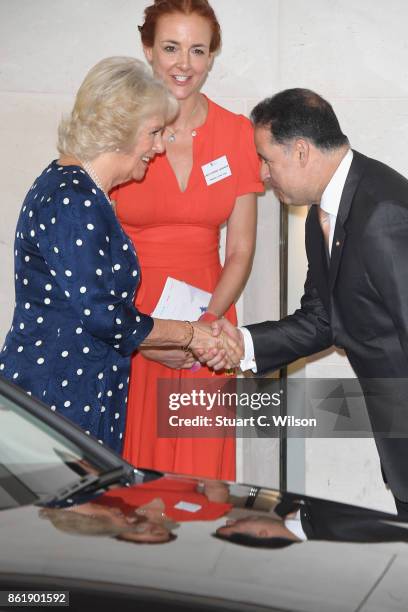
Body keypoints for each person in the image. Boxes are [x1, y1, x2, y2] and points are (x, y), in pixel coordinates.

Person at [0, 56, 238, 454]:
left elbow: (84, 313)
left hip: (80, 393)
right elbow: (103, 315)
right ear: (119, 128)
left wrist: (155, 345)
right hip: (57, 399)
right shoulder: (73, 197)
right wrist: (191, 333)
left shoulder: (84, 192)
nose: (160, 147)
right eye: (154, 132)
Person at [209, 88, 408, 516]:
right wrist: (240, 344)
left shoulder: (382, 213)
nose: (262, 175)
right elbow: (322, 319)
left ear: (301, 151)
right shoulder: (326, 209)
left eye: (266, 159)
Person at [111, 0, 263, 479]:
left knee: (199, 470)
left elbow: (240, 250)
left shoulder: (237, 132)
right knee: (132, 470)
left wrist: (207, 327)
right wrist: (140, 335)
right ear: (148, 50)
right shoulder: (118, 129)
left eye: (197, 50)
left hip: (211, 315)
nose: (184, 64)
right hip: (130, 318)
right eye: (171, 47)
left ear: (212, 56)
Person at [215, 492, 408, 548]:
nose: (231, 521)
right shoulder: (335, 527)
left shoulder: (287, 505)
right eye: (233, 527)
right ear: (262, 534)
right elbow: (400, 525)